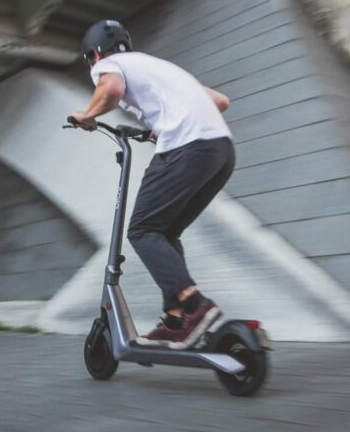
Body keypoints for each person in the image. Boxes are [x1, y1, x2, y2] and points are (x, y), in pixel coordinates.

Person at [70, 20, 235, 349]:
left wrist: (87, 115)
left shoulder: (109, 65)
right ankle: (175, 320)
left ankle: (194, 305)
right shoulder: (157, 66)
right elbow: (220, 101)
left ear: (94, 54)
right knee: (164, 232)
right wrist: (157, 128)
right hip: (221, 152)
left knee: (142, 230)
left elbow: (112, 90)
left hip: (187, 149)